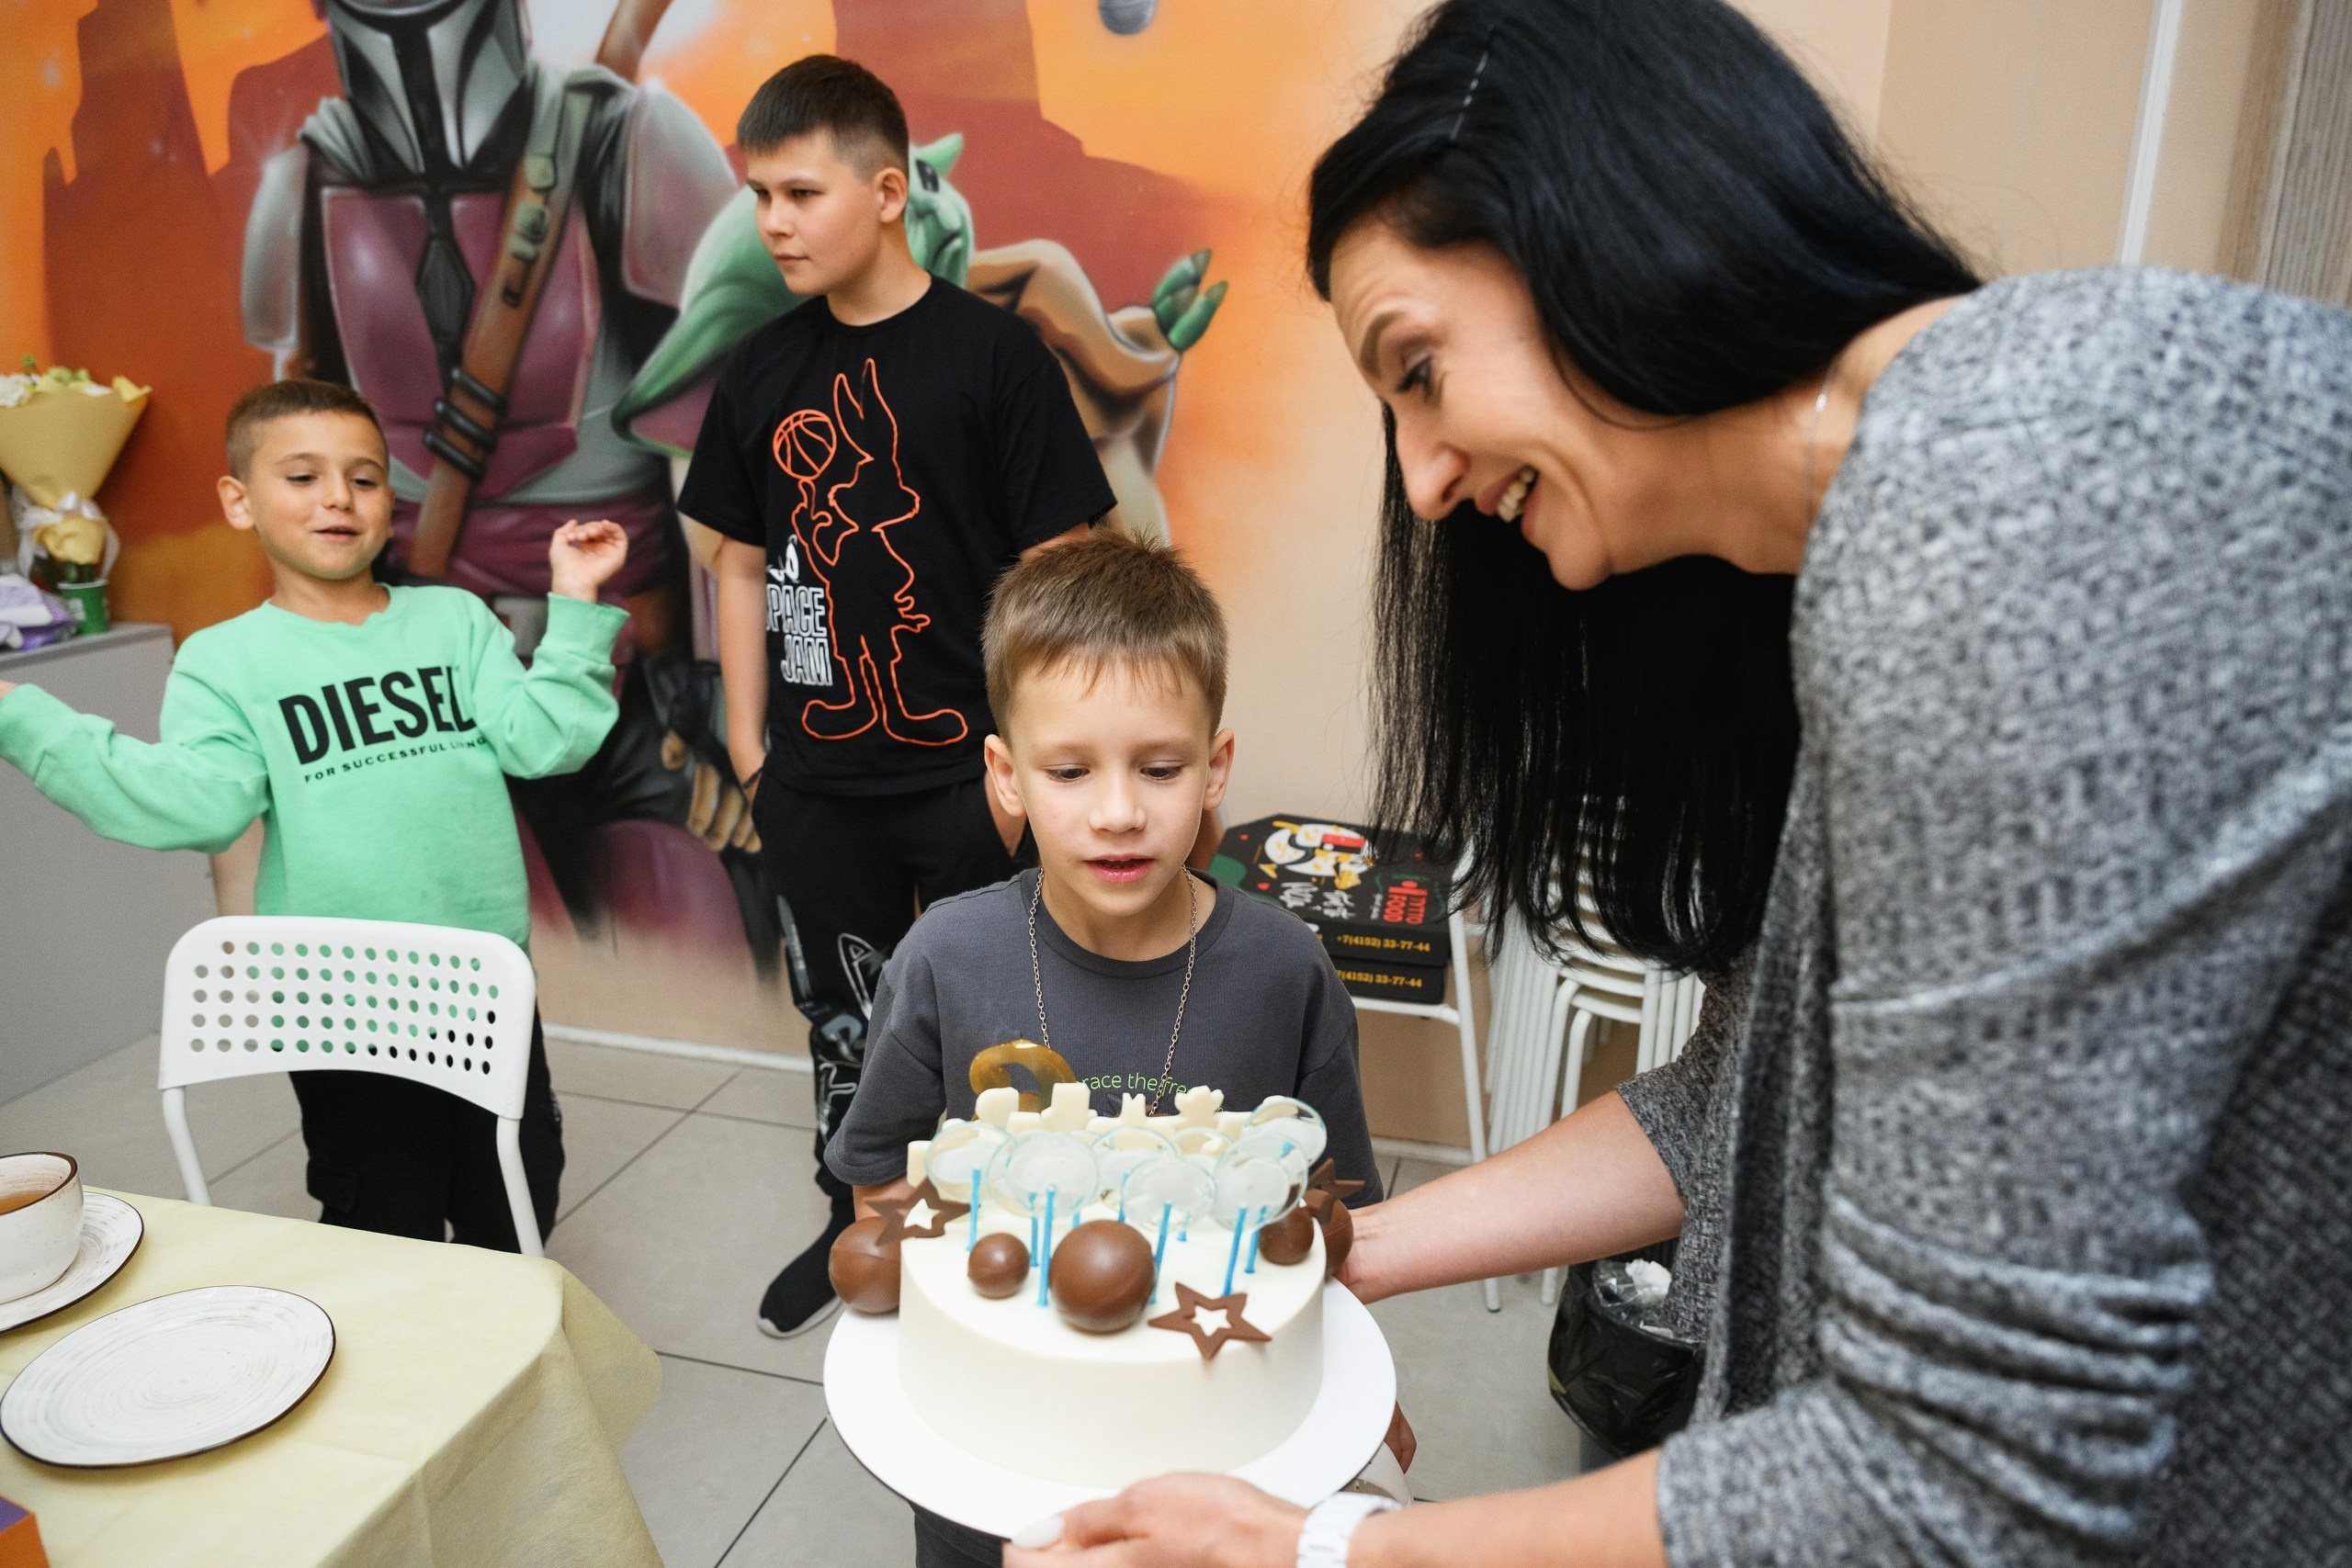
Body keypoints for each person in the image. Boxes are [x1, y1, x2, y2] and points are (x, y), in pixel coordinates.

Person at [1004, 2, 2352, 1566]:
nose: (1427, 483)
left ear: (1598, 227)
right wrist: (1341, 1247)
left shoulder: (1997, 524)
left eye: (1421, 369)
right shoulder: (1927, 491)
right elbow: (1748, 1102)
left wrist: (1322, 1551)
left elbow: (1963, 1474)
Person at [827, 531, 1385, 1568]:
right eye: (1070, 770)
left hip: (1225, 1468)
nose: (1120, 811)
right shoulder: (947, 955)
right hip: (993, 1466)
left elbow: (1334, 1211)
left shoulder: (1284, 968)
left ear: (1216, 767)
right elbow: (877, 1180)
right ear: (1005, 777)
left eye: (1160, 766)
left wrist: (1345, 1395)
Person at [679, 55, 1119, 1339]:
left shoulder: (997, 359)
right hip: (817, 784)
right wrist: (753, 743)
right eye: (759, 193)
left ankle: (1014, 1229)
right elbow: (741, 560)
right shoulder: (761, 371)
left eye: (800, 191)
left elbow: (1059, 577)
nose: (772, 220)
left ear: (886, 191)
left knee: (1007, 1014)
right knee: (845, 1018)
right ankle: (858, 1221)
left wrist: (1038, 761)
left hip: (970, 778)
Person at [0, 379, 630, 1248]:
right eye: (301, 476)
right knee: (382, 1216)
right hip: (342, 1006)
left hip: (485, 987)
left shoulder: (454, 620)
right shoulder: (225, 661)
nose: (339, 496)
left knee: (517, 1197)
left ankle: (502, 1356)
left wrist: (577, 600)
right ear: (238, 499)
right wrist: (19, 715)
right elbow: (195, 803)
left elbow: (545, 741)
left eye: (365, 478)